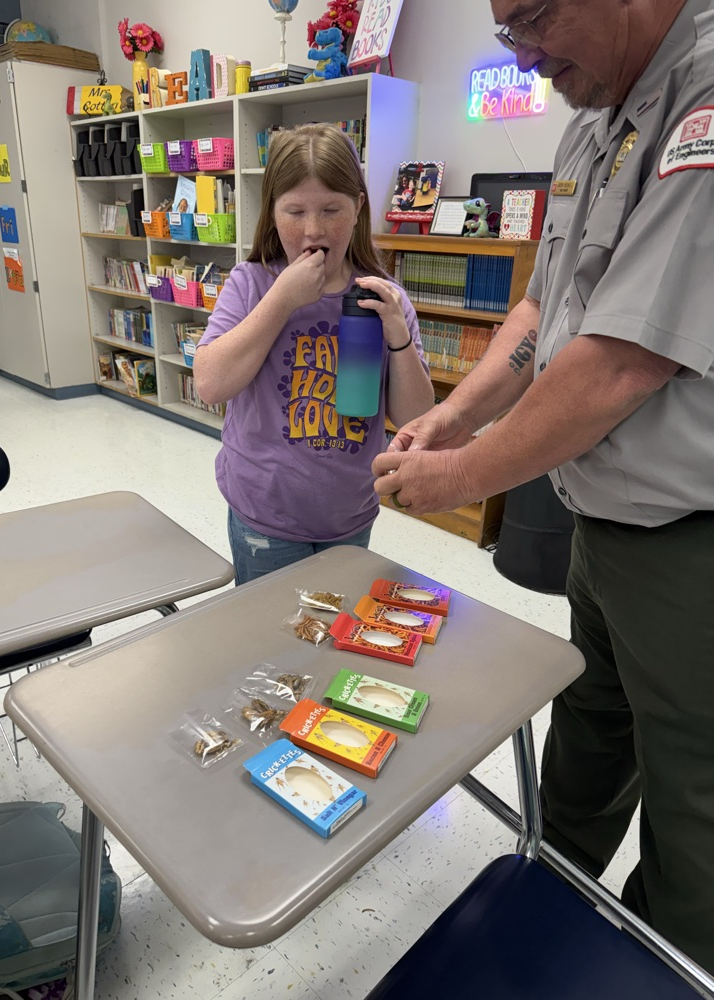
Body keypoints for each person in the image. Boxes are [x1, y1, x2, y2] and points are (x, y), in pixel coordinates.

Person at [373, 0, 714, 973]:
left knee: (697, 808)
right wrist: (453, 414)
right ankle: (548, 921)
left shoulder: (704, 97)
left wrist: (456, 475)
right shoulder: (590, 118)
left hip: (692, 537)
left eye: (534, 16)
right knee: (587, 745)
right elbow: (540, 310)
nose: (521, 54)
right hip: (601, 525)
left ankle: (665, 969)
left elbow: (616, 362)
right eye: (503, 31)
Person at [194, 123, 433, 585]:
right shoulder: (252, 283)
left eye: (331, 210)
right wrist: (281, 298)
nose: (313, 230)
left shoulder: (383, 297)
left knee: (331, 642)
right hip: (265, 514)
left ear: (359, 208)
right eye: (295, 211)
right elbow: (210, 383)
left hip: (349, 515)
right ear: (272, 211)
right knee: (268, 645)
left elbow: (414, 419)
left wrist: (398, 335)